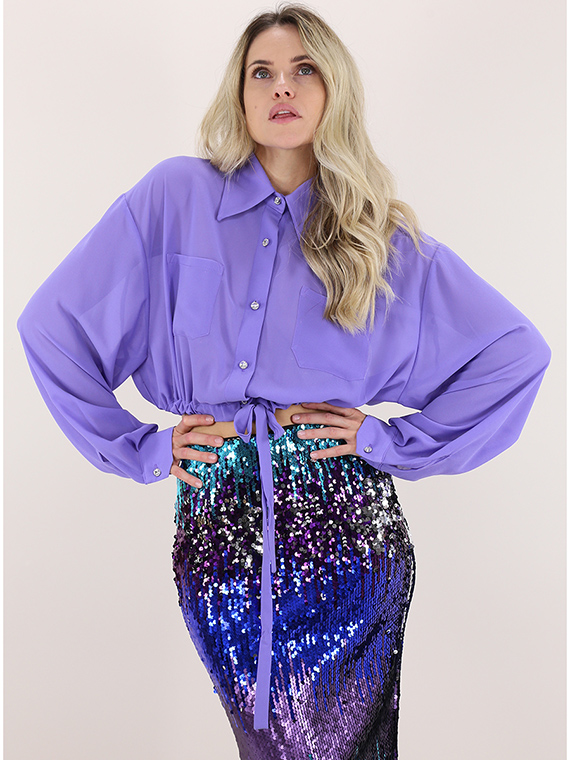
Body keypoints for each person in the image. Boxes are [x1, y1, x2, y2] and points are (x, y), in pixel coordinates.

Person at [16, 3, 550, 758]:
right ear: (239, 93)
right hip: (220, 533)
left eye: (304, 70)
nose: (282, 88)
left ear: (335, 90)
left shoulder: (374, 235)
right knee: (266, 744)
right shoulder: (174, 198)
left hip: (348, 539)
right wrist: (141, 448)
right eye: (261, 72)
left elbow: (515, 355)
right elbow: (51, 327)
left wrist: (391, 442)